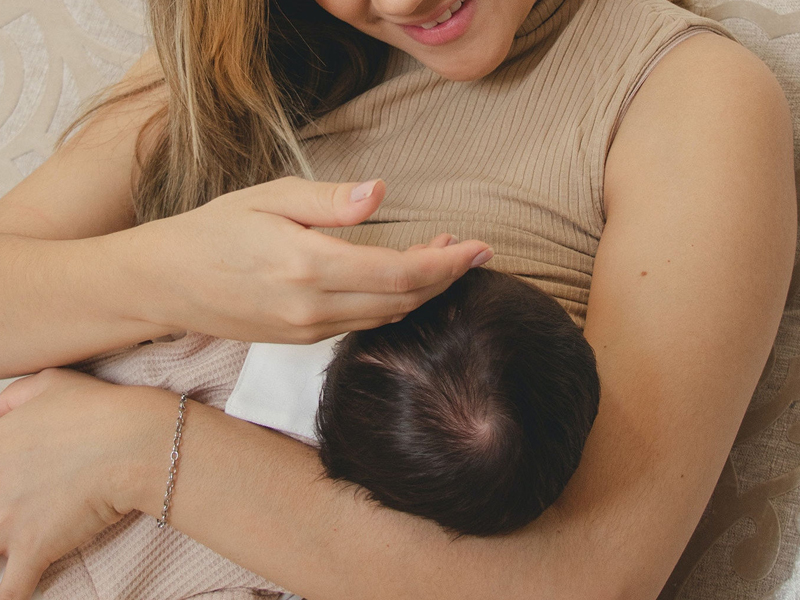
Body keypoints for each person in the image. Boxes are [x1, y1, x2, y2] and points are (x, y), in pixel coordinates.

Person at [0, 0, 794, 597]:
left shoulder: (682, 94)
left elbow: (591, 576)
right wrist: (168, 276)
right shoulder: (244, 54)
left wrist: (138, 452)